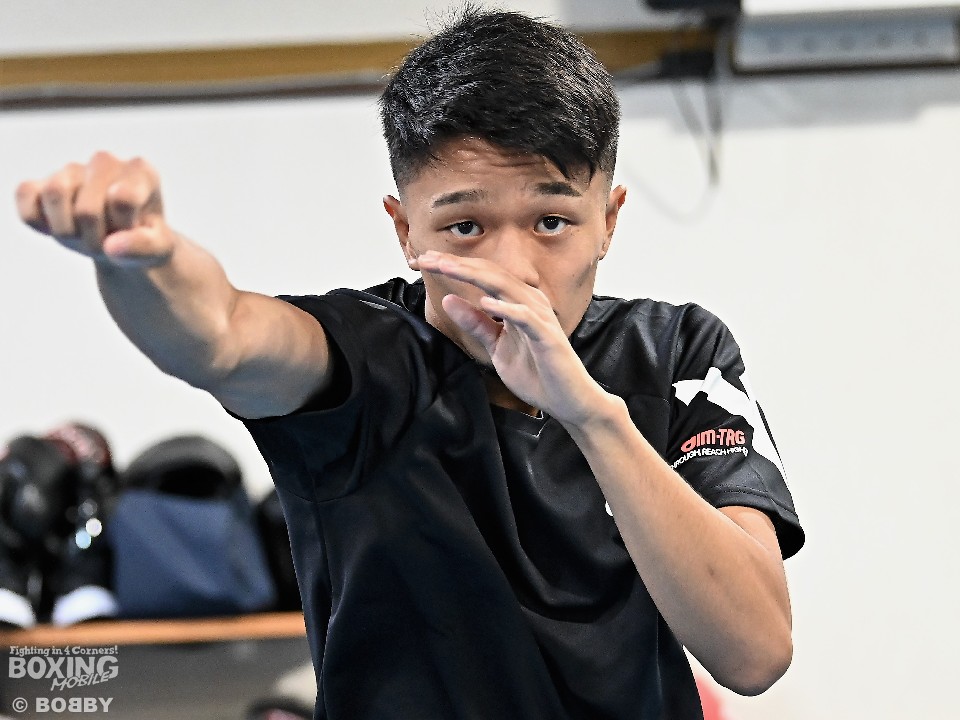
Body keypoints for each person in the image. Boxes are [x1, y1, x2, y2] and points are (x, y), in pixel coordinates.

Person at [14, 7, 803, 719]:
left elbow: (755, 652)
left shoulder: (676, 352)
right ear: (405, 231)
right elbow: (222, 333)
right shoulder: (366, 355)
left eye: (552, 221)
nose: (512, 269)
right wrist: (135, 261)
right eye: (465, 227)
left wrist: (591, 414)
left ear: (609, 219)